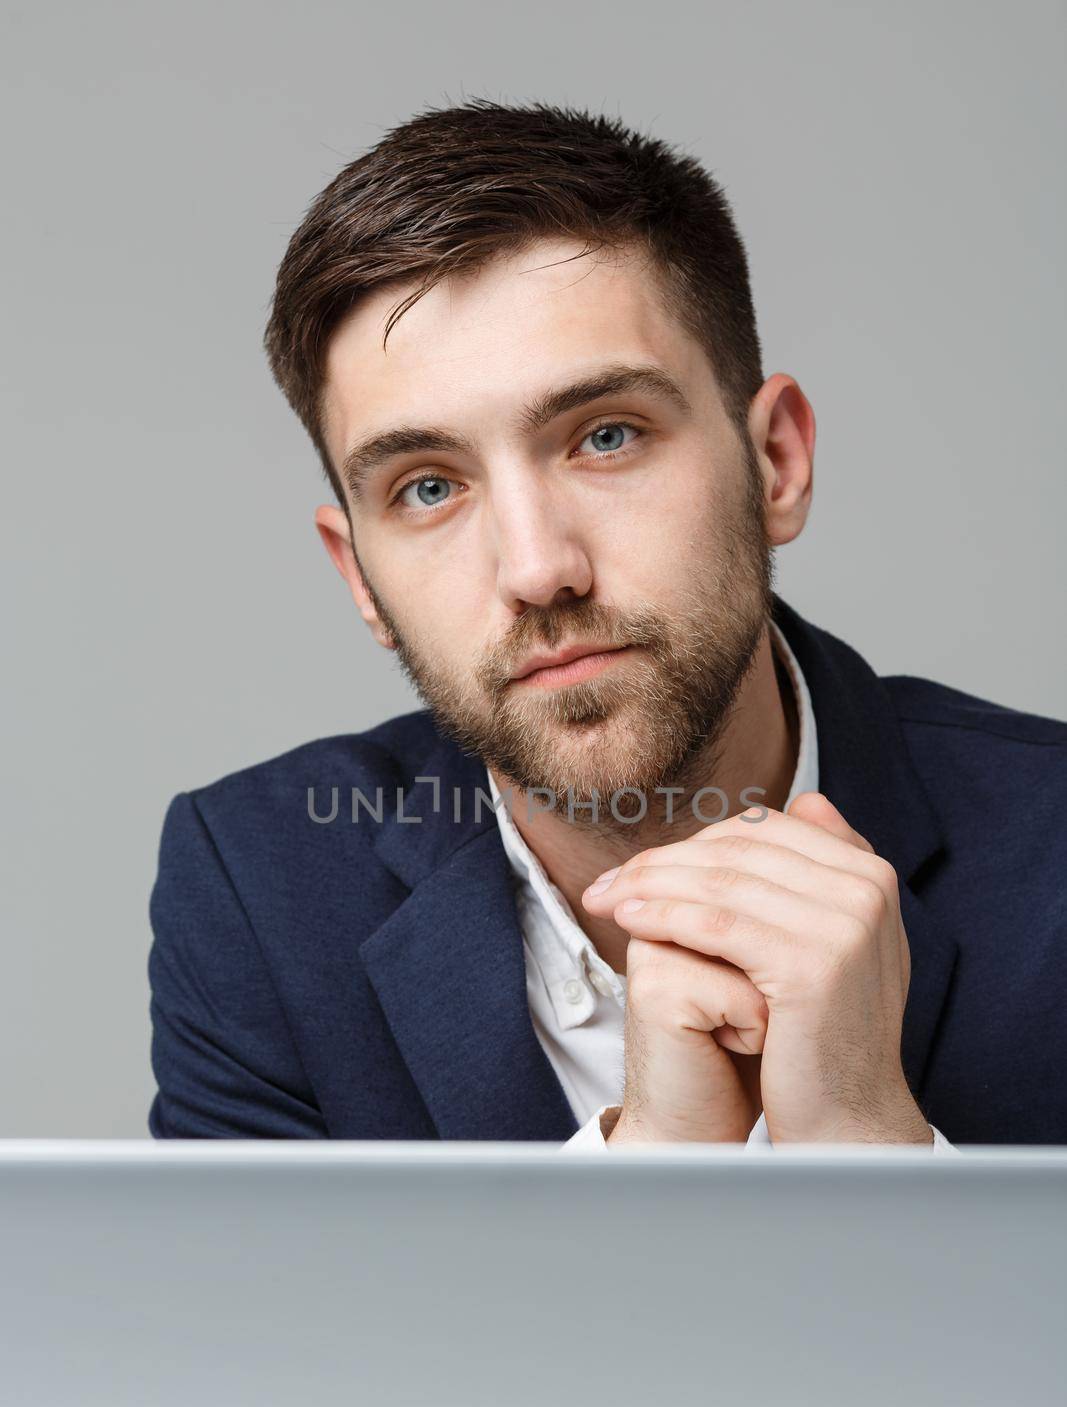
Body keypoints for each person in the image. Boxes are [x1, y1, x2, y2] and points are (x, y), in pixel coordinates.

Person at [147, 98, 1067, 1147]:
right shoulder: (259, 890)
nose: (538, 569)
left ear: (775, 462)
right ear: (360, 577)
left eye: (606, 436)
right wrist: (647, 1171)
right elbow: (263, 1318)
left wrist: (867, 1148)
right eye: (427, 489)